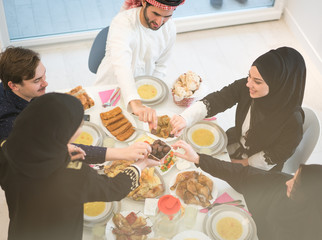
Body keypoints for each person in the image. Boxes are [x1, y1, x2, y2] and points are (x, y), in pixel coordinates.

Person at [0, 93, 160, 240]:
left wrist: (122, 153)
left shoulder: (9, 149)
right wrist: (142, 164)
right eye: (79, 125)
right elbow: (114, 189)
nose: (81, 127)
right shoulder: (72, 174)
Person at [0, 46, 150, 163]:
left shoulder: (22, 93)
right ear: (13, 85)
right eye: (36, 80)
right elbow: (59, 151)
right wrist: (123, 153)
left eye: (43, 75)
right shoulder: (12, 125)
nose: (46, 83)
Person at [170, 47, 306, 171]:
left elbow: (276, 154)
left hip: (259, 168)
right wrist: (185, 118)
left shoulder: (293, 121)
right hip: (236, 145)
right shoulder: (247, 87)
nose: (248, 84)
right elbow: (218, 99)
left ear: (279, 84)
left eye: (257, 82)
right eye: (249, 76)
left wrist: (243, 163)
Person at [172, 140, 322, 240]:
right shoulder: (281, 184)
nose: (287, 182)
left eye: (295, 185)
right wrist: (199, 159)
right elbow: (243, 175)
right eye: (293, 177)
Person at [95, 0, 185, 129]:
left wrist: (154, 94)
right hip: (111, 87)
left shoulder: (169, 28)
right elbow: (122, 65)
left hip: (143, 94)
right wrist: (134, 101)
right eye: (156, 14)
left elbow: (161, 65)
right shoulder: (123, 22)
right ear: (143, 2)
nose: (159, 22)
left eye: (167, 16)